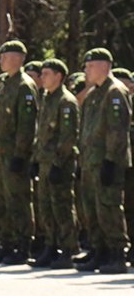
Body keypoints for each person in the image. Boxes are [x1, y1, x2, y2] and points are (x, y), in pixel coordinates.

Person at [75, 48, 131, 274]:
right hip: (90, 161)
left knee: (109, 208)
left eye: (91, 66)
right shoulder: (94, 94)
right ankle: (99, 250)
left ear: (105, 66)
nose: (86, 70)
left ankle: (117, 254)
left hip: (107, 162)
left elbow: (118, 130)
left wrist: (110, 160)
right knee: (91, 208)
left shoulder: (115, 92)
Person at [0, 40, 39, 265]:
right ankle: (6, 243)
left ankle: (23, 245)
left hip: (14, 154)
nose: (2, 60)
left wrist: (20, 153)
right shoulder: (4, 83)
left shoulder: (24, 86)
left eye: (6, 56)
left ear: (18, 58)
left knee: (17, 201)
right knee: (1, 202)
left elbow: (27, 124)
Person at [30, 58, 80, 269]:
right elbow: (40, 133)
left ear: (58, 76)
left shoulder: (66, 101)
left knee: (61, 206)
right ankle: (51, 246)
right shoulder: (46, 98)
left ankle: (68, 249)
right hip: (44, 161)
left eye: (46, 74)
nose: (42, 77)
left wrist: (58, 164)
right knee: (45, 206)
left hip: (60, 163)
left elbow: (68, 136)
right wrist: (35, 159)